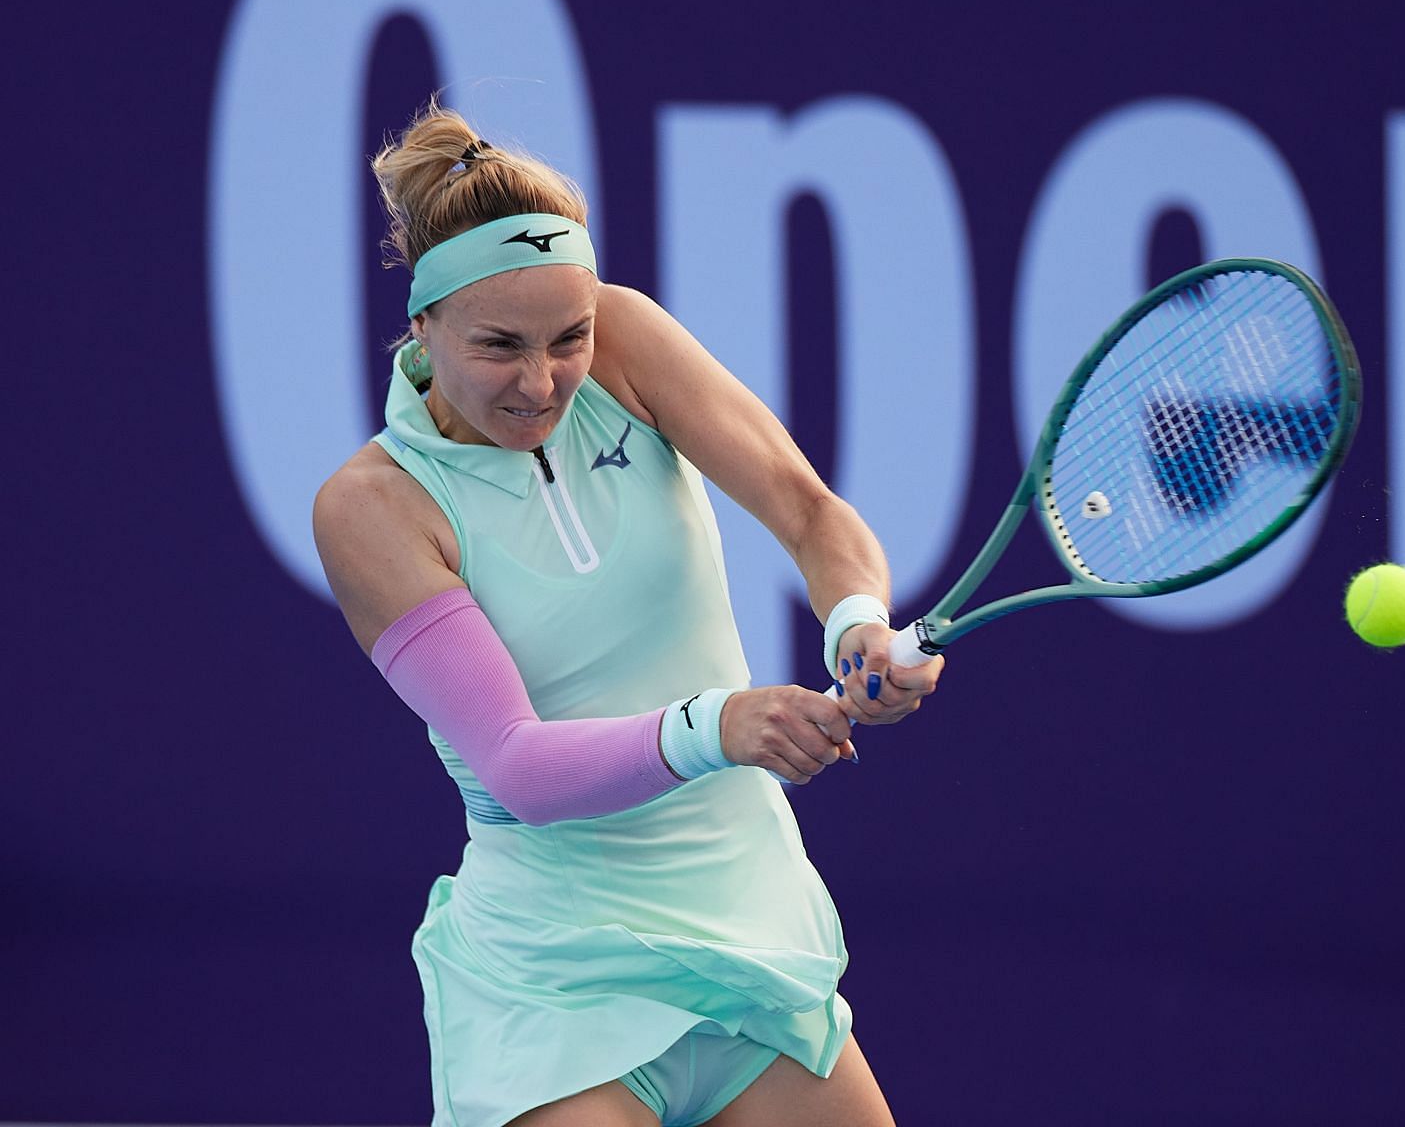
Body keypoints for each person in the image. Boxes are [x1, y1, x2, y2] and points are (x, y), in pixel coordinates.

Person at [312, 103, 940, 1127]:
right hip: (555, 984)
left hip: (748, 941)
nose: (543, 378)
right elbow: (515, 762)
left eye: (569, 335)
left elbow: (807, 508)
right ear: (423, 329)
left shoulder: (628, 346)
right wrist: (719, 723)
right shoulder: (374, 506)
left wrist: (857, 623)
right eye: (499, 345)